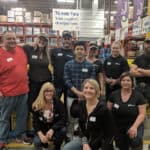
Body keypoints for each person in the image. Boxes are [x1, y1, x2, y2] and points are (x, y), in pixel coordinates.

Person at [62, 79, 115, 150]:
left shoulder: (104, 109)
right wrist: (85, 143)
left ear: (96, 91)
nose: (88, 90)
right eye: (86, 88)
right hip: (85, 141)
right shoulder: (81, 105)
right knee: (66, 148)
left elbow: (110, 134)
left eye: (91, 88)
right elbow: (81, 128)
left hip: (101, 144)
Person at [0, 31, 31, 149]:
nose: (12, 41)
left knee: (22, 116)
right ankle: (2, 138)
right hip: (7, 93)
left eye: (14, 38)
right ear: (3, 40)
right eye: (9, 39)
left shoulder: (20, 50)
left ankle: (20, 135)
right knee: (4, 118)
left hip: (23, 91)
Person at [64, 41, 96, 139]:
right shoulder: (68, 65)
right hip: (71, 96)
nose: (79, 51)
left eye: (81, 49)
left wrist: (84, 93)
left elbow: (92, 81)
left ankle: (81, 136)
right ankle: (69, 136)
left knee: (83, 118)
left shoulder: (90, 66)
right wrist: (78, 92)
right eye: (77, 49)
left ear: (85, 51)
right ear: (74, 51)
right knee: (70, 118)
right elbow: (66, 80)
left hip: (86, 97)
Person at [107, 72, 146, 150]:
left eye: (128, 80)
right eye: (123, 80)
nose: (125, 82)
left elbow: (142, 114)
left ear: (132, 82)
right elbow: (108, 111)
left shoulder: (138, 96)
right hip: (118, 125)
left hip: (134, 123)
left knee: (135, 141)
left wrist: (134, 127)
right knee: (121, 145)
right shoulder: (114, 95)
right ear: (120, 82)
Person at [23, 33, 53, 112]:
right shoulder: (29, 49)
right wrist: (30, 43)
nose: (42, 41)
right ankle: (33, 121)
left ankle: (43, 119)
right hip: (33, 82)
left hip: (45, 82)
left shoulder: (48, 53)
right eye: (40, 39)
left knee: (44, 102)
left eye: (44, 40)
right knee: (31, 103)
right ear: (36, 39)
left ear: (46, 43)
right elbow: (18, 45)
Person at [32, 82, 66, 150]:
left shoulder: (58, 103)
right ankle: (45, 145)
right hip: (42, 130)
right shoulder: (37, 105)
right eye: (46, 91)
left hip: (53, 130)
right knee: (37, 142)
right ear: (42, 92)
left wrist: (53, 129)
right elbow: (35, 123)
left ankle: (57, 147)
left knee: (63, 130)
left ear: (53, 92)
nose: (49, 93)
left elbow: (64, 118)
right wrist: (41, 135)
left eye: (51, 91)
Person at [50, 31, 74, 110]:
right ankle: (56, 119)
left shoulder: (74, 53)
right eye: (65, 39)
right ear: (62, 40)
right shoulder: (54, 51)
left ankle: (67, 120)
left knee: (68, 105)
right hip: (57, 84)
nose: (66, 41)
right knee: (55, 103)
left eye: (68, 39)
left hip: (69, 85)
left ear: (71, 40)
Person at [130, 38, 150, 105]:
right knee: (139, 111)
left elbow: (136, 71)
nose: (149, 45)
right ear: (144, 45)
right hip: (140, 89)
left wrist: (140, 70)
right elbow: (132, 73)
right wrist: (147, 73)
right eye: (147, 43)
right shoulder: (138, 58)